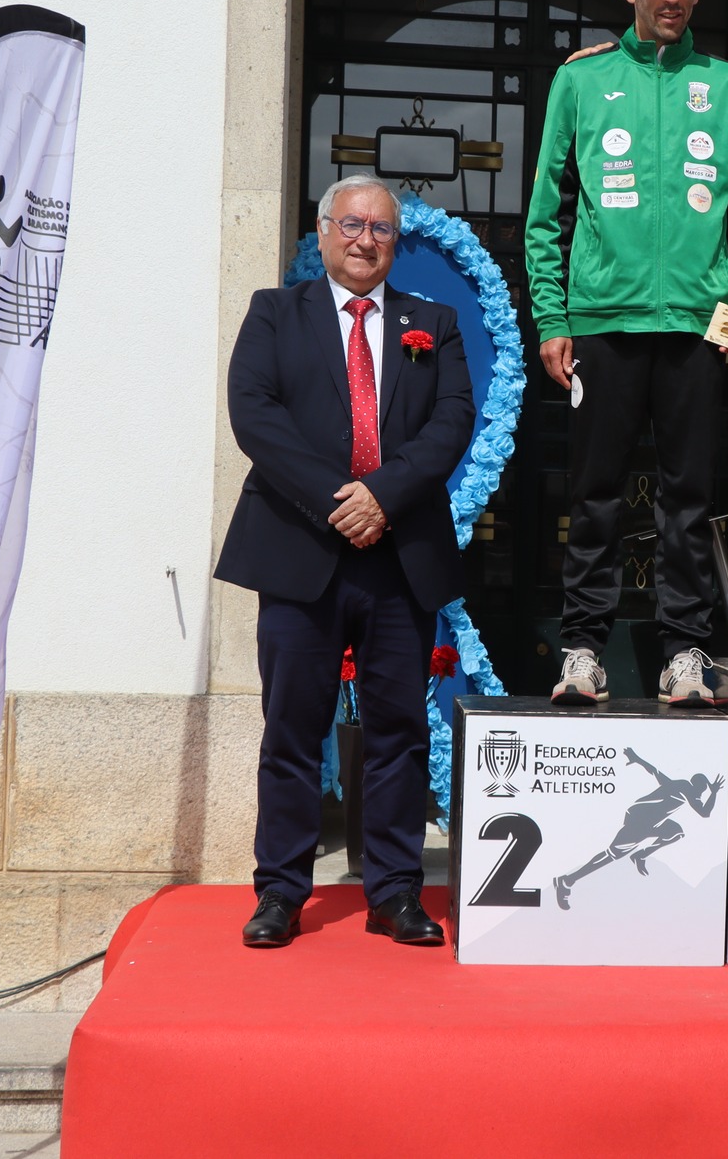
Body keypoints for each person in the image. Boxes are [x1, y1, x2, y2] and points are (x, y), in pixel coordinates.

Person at [216, 173, 476, 949]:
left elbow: (453, 419)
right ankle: (281, 890)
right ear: (325, 230)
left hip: (399, 557)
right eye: (353, 224)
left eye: (382, 228)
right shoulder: (275, 312)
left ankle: (394, 891)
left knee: (399, 731)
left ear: (397, 242)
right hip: (301, 550)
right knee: (292, 730)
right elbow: (254, 413)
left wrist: (382, 497)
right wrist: (342, 500)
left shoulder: (434, 322)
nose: (367, 240)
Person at [526, 0, 728, 706]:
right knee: (594, 493)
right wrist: (553, 318)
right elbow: (547, 213)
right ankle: (582, 651)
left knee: (689, 500)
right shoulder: (581, 81)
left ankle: (684, 653)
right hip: (603, 321)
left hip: (698, 328)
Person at [551, 748, 724, 908]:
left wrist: (637, 759)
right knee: (610, 855)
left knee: (676, 832)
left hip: (649, 822)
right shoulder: (688, 789)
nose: (701, 795)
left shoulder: (676, 785)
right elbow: (705, 812)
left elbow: (655, 771)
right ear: (698, 787)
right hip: (640, 823)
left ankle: (640, 855)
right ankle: (567, 880)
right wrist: (714, 792)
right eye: (703, 791)